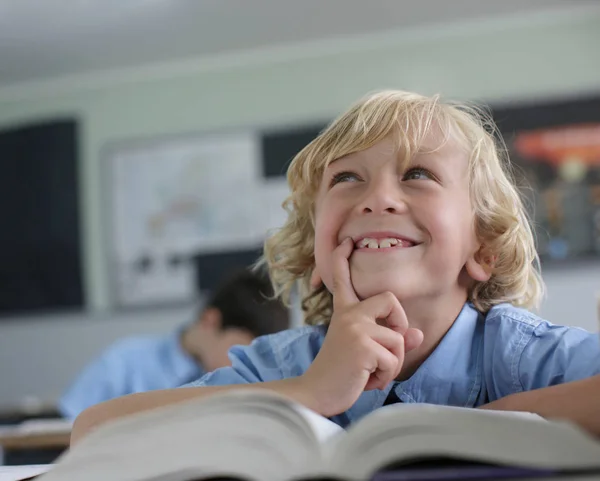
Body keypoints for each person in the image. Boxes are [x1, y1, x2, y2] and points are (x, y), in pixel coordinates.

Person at [71, 90, 600, 443]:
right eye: (347, 179)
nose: (378, 199)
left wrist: (455, 435)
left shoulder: (520, 355)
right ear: (313, 255)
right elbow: (95, 430)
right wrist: (309, 394)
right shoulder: (284, 366)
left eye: (417, 173)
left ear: (482, 250)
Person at [59, 268, 290, 419]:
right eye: (240, 352)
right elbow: (63, 433)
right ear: (210, 321)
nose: (244, 365)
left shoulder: (245, 383)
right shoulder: (122, 362)